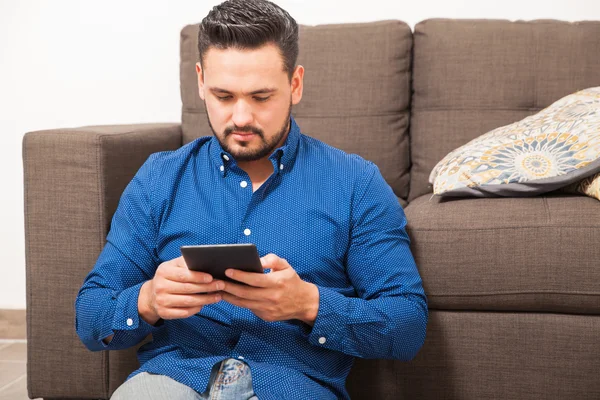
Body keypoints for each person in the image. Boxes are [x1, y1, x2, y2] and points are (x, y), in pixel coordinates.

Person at [75, 1, 428, 399]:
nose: (241, 117)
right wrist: (147, 300)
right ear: (200, 82)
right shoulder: (159, 179)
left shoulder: (355, 183)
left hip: (290, 386)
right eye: (223, 96)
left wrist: (308, 303)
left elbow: (407, 327)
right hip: (173, 380)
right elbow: (90, 317)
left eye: (261, 97)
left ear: (295, 84)